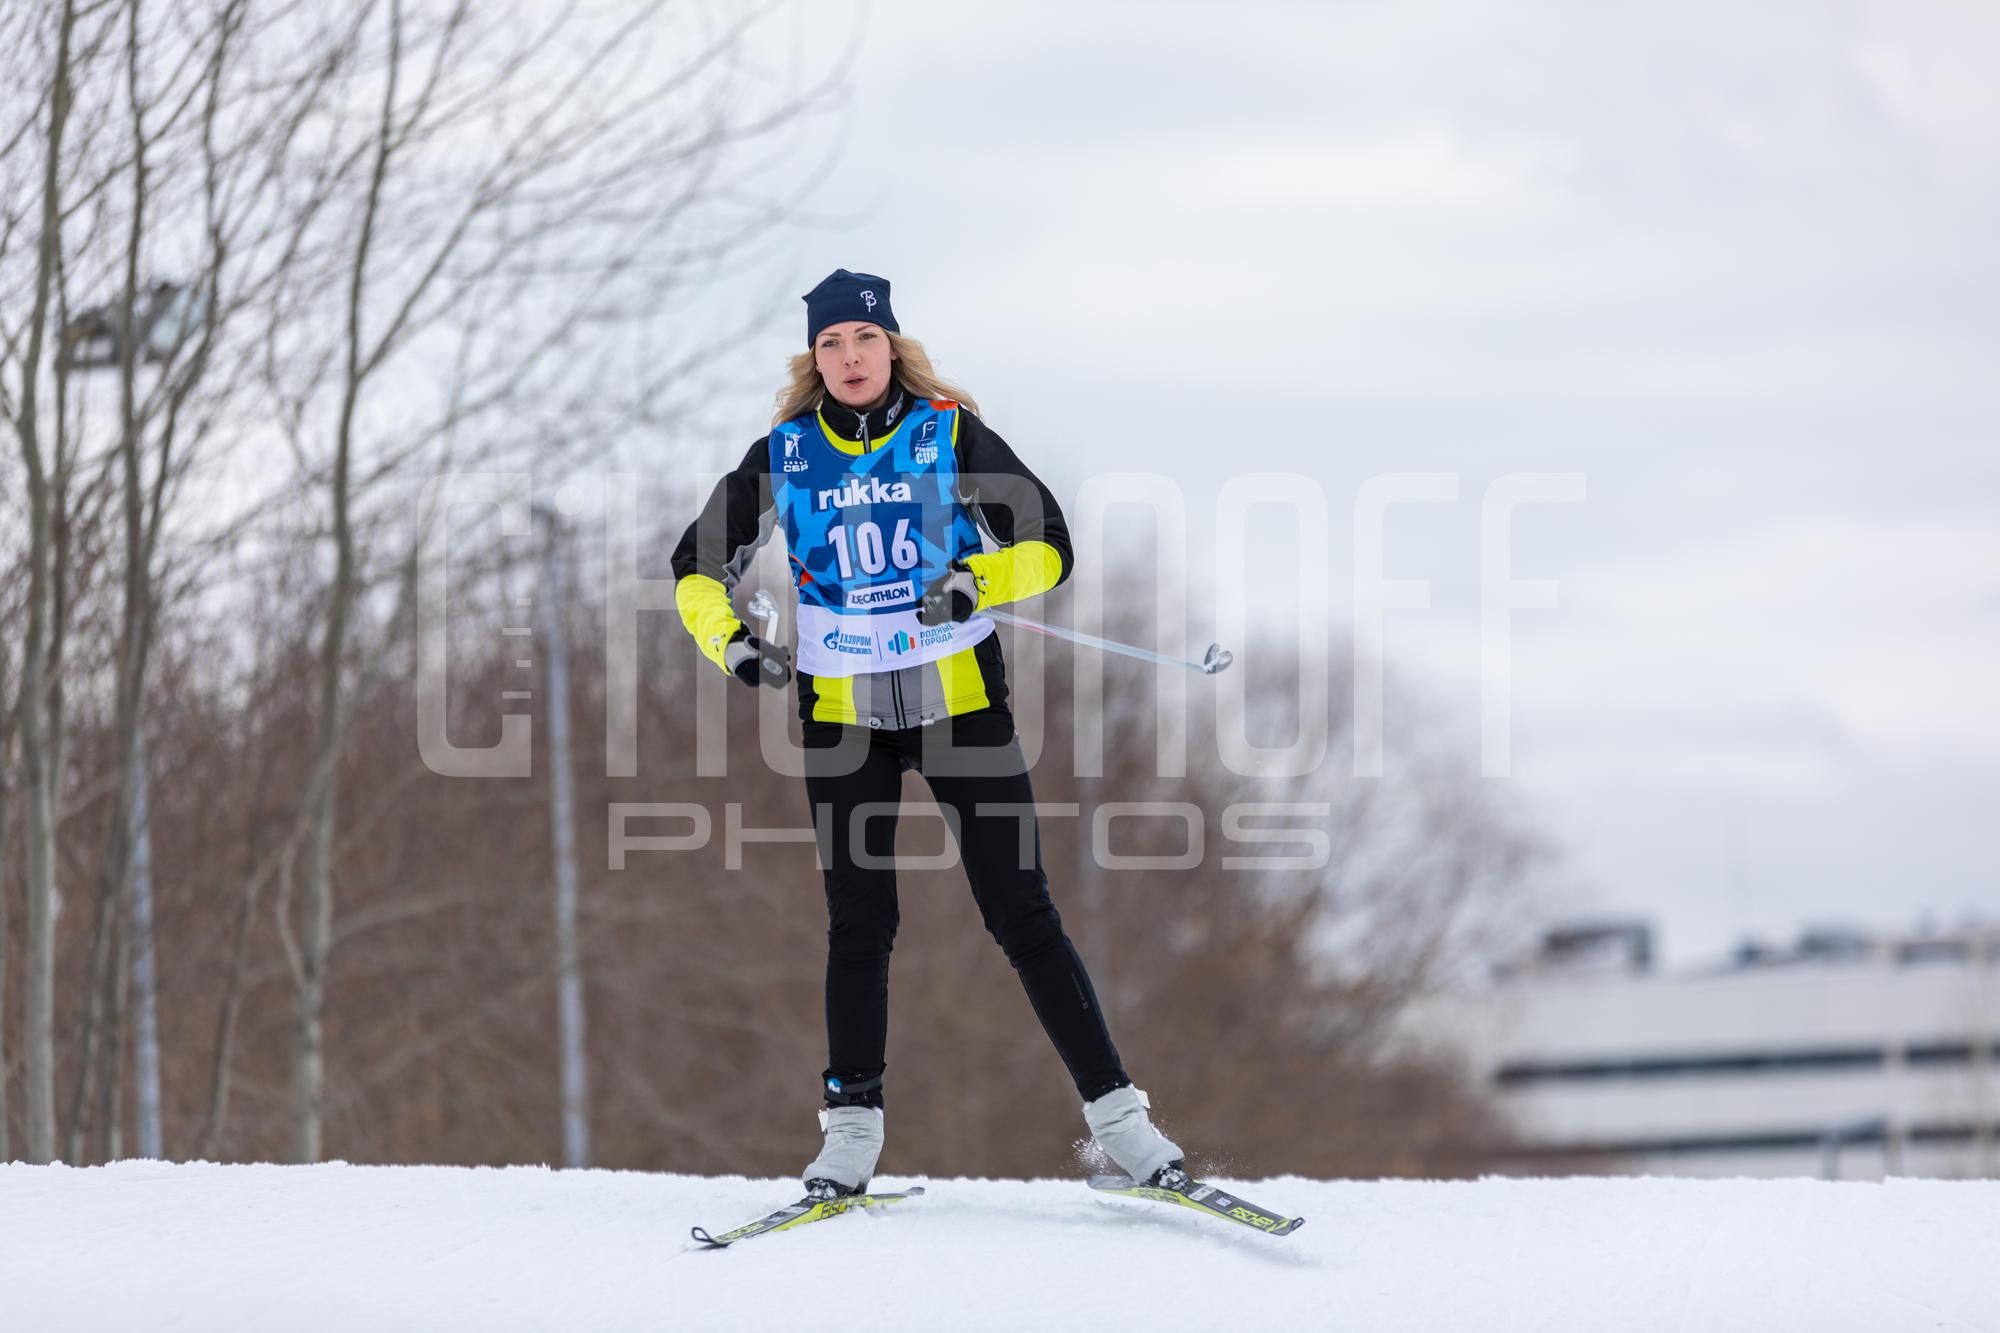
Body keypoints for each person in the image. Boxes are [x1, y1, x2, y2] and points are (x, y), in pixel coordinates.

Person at [670, 268, 1189, 1200]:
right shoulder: (784, 452)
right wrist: (737, 649)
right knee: (859, 924)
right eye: (831, 345)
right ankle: (851, 1135)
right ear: (814, 360)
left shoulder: (944, 430)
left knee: (1021, 913)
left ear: (892, 347)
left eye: (864, 341)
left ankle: (1123, 1124)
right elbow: (693, 569)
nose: (850, 357)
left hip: (960, 707)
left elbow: (1049, 540)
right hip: (840, 719)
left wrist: (976, 583)